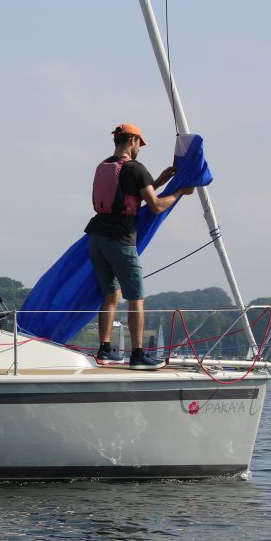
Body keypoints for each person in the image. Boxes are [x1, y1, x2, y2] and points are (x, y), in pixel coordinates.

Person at [85, 123, 195, 370]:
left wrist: (158, 182)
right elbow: (155, 206)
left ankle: (104, 350)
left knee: (111, 295)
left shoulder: (103, 166)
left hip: (97, 239)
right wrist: (179, 192)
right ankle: (138, 354)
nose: (140, 148)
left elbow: (124, 194)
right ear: (132, 140)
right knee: (136, 298)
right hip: (120, 240)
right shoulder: (136, 168)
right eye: (140, 144)